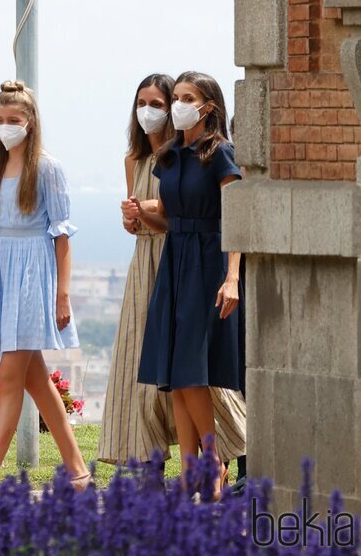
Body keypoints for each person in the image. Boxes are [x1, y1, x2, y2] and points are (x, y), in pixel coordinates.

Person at [98, 74, 246, 472]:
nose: (179, 104)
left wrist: (232, 277)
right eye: (177, 96)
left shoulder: (221, 153)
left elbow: (236, 218)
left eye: (187, 98)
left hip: (209, 262)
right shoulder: (169, 157)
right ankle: (189, 472)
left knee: (192, 374)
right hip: (174, 261)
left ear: (208, 107)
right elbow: (165, 219)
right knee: (172, 375)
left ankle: (212, 463)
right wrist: (138, 212)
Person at [0, 80, 91, 489]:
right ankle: (77, 470)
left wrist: (62, 294)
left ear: (30, 122)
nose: (6, 126)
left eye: (14, 120)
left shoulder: (47, 168)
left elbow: (61, 235)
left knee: (9, 377)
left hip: (33, 273)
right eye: (0, 119)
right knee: (35, 380)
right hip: (3, 274)